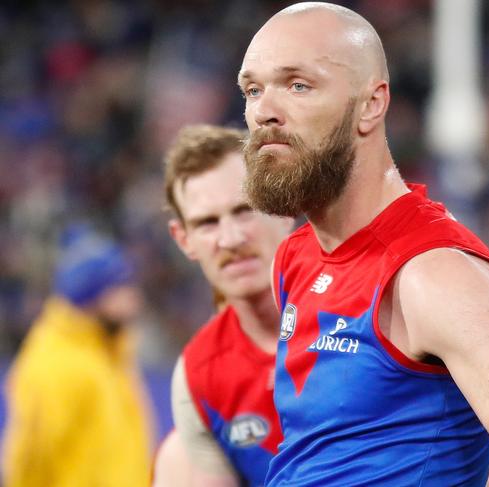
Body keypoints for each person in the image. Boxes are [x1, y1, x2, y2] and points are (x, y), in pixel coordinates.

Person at [238, 2, 489, 486]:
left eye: (298, 85)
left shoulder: (430, 272)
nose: (265, 111)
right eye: (252, 89)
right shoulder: (296, 256)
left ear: (371, 104)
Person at [151, 125, 293, 486]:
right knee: (174, 462)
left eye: (244, 210)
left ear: (284, 207)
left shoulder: (364, 310)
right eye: (207, 223)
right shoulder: (199, 374)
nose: (231, 239)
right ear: (184, 240)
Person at [2, 223, 153, 487]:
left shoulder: (108, 353)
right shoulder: (56, 365)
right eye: (122, 286)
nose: (135, 297)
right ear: (92, 295)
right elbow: (29, 464)